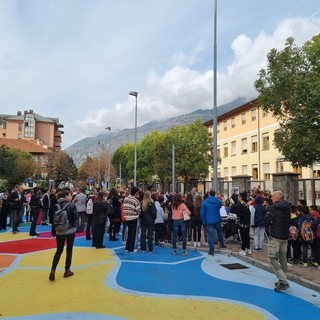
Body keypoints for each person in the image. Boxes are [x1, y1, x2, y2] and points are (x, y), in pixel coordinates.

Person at [264, 190, 291, 292]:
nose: (271, 198)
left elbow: (266, 220)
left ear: (277, 198)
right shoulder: (287, 207)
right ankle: (283, 278)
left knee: (272, 258)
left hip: (275, 236)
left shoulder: (274, 208)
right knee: (283, 258)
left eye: (273, 196)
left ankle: (283, 280)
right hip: (284, 236)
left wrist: (268, 224)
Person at [49, 190, 78, 281]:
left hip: (59, 231)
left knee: (59, 250)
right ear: (66, 196)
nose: (71, 197)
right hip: (70, 231)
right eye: (69, 195)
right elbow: (75, 218)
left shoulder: (55, 206)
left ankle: (53, 270)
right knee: (69, 250)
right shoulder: (71, 205)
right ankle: (67, 270)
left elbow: (51, 219)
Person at [200, 189, 226, 256]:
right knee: (220, 232)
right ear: (215, 194)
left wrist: (202, 220)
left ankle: (212, 250)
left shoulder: (205, 202)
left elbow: (202, 213)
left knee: (210, 235)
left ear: (209, 194)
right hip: (217, 219)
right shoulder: (218, 201)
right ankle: (222, 244)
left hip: (208, 221)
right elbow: (220, 206)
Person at [122, 187, 141, 253]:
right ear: (136, 193)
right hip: (133, 217)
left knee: (128, 233)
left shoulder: (126, 199)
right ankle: (131, 249)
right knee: (133, 233)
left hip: (127, 217)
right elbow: (138, 211)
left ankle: (127, 248)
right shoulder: (136, 201)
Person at [234, 191, 251, 256]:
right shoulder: (246, 205)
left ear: (241, 197)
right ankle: (248, 248)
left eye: (239, 196)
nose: (238, 197)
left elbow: (238, 215)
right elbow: (248, 214)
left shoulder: (239, 205)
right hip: (247, 223)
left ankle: (243, 249)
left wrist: (237, 223)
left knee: (242, 236)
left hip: (242, 223)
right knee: (247, 236)